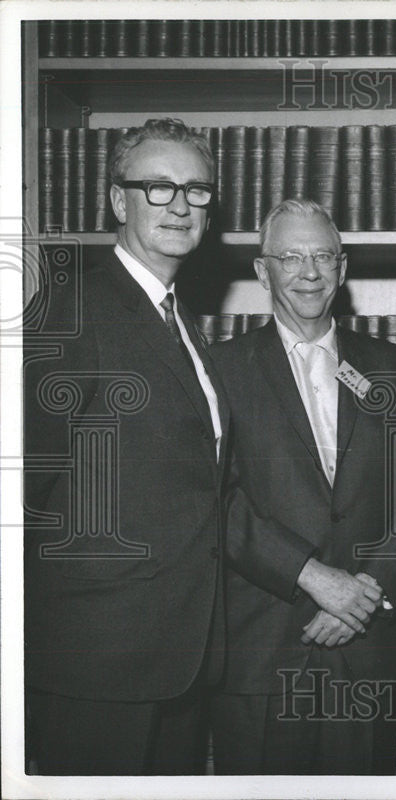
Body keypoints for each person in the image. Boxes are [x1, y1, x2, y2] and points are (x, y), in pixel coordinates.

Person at [23, 118, 227, 774]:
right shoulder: (72, 310)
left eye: (196, 191)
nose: (179, 205)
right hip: (96, 662)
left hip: (178, 659)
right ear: (118, 201)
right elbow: (20, 486)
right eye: (158, 187)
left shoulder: (182, 321)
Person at [208, 199, 396, 774]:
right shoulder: (217, 371)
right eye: (291, 257)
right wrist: (312, 576)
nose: (309, 272)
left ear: (343, 267)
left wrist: (366, 593)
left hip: (369, 647)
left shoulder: (392, 366)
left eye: (323, 256)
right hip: (262, 655)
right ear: (262, 272)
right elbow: (213, 503)